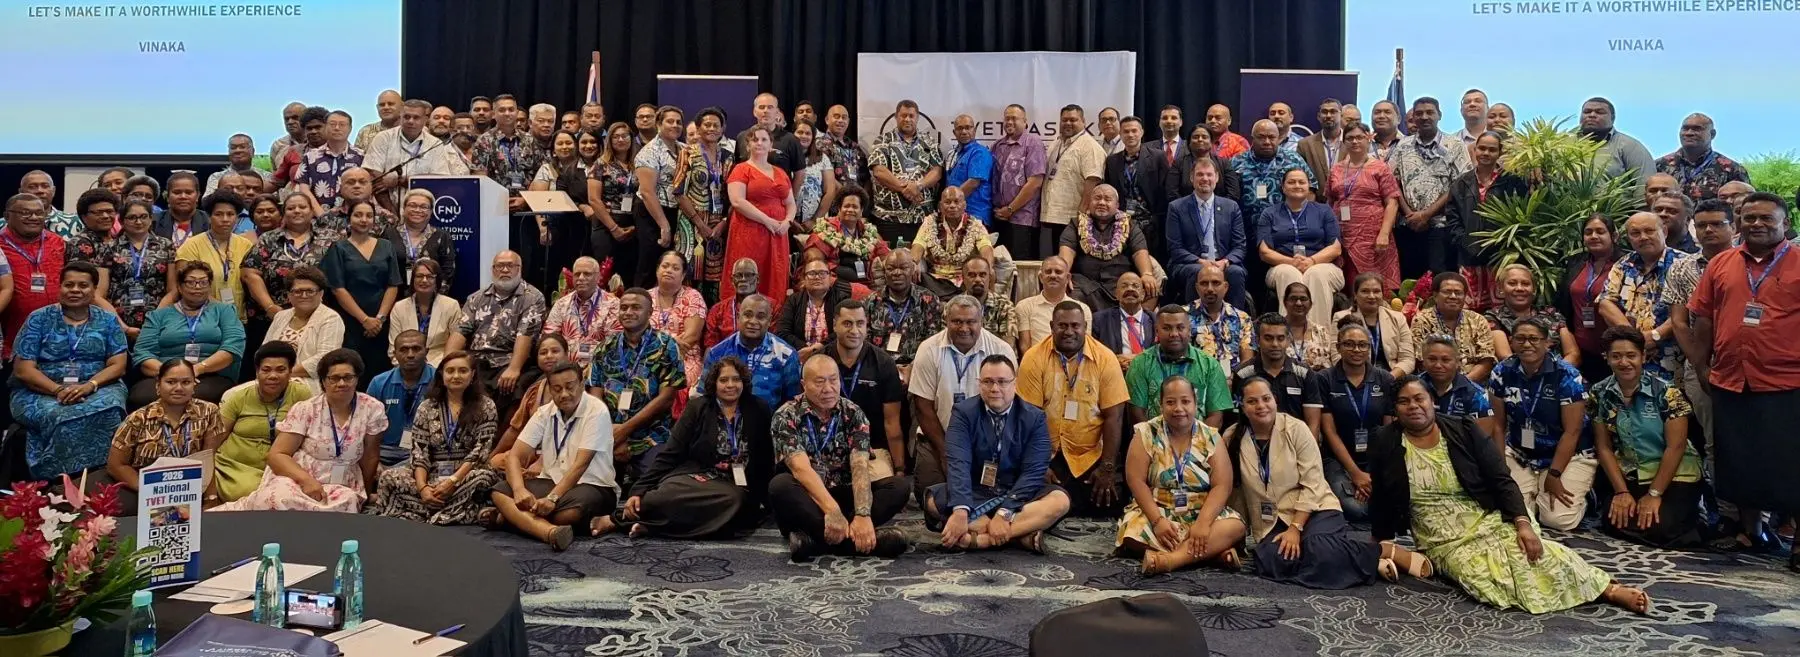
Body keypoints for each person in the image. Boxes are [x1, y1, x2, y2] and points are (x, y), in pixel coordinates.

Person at [1368, 376, 1651, 614]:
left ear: (1432, 401)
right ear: (1395, 408)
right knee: (1483, 577)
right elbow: (1381, 494)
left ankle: (1608, 590)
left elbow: (1501, 479)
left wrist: (1522, 523)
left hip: (1485, 514)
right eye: (1404, 402)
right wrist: (1378, 541)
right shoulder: (1385, 440)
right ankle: (1421, 559)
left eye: (1419, 398)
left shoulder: (1463, 430)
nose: (1413, 406)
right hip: (1441, 535)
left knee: (1536, 551)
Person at [1686, 192, 1800, 571]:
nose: (1757, 224)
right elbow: (1702, 318)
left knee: (1791, 465)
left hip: (1786, 382)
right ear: (1738, 223)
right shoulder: (1721, 263)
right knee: (1741, 462)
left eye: (1767, 218)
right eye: (1749, 217)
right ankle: (1751, 533)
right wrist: (1702, 367)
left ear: (1785, 224)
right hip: (1732, 379)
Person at [595, 356, 774, 539]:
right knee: (659, 497)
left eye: (736, 379)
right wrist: (639, 489)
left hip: (734, 486)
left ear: (743, 382)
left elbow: (766, 458)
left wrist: (766, 499)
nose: (730, 385)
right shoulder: (698, 407)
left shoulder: (758, 409)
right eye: (723, 380)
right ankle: (636, 520)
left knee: (733, 503)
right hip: (698, 476)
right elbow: (671, 452)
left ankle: (644, 526)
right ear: (714, 383)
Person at [1226, 376, 1380, 588]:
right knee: (1271, 559)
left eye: (1266, 399)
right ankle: (1361, 561)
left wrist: (1295, 528)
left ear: (1275, 400)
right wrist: (1236, 537)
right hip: (1273, 518)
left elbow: (1313, 482)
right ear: (1242, 406)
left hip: (1316, 508)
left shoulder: (1296, 429)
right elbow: (1234, 490)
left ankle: (1380, 553)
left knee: (1317, 547)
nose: (1261, 406)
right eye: (1252, 401)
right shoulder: (1232, 437)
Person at [767, 353, 911, 560]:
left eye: (833, 380)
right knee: (780, 485)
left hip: (845, 496)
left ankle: (815, 543)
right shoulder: (786, 415)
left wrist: (862, 514)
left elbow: (860, 465)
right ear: (803, 385)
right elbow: (801, 470)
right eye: (819, 382)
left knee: (899, 487)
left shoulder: (853, 413)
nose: (828, 388)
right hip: (809, 500)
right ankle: (862, 543)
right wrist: (832, 511)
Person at [217, 349, 388, 513]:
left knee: (346, 502)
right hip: (298, 477)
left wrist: (365, 492)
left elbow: (370, 456)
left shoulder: (372, 408)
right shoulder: (306, 409)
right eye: (334, 378)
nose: (341, 383)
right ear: (323, 381)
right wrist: (306, 480)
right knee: (277, 498)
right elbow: (277, 455)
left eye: (348, 377)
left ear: (357, 379)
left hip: (344, 483)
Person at [927, 354, 1068, 552]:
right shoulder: (963, 413)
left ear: (1015, 384)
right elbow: (958, 463)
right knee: (933, 501)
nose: (995, 389)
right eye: (988, 382)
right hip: (976, 492)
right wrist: (960, 511)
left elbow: (1034, 472)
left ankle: (982, 540)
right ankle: (1020, 534)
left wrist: (1004, 513)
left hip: (1018, 493)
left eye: (1002, 382)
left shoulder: (1034, 417)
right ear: (979, 384)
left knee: (1059, 501)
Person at [11, 261, 129, 482]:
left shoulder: (108, 320)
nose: (75, 290)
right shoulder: (39, 318)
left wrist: (89, 386)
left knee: (111, 409)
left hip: (98, 386)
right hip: (41, 389)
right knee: (59, 414)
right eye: (69, 285)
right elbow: (23, 369)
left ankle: (101, 480)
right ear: (60, 287)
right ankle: (56, 482)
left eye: (83, 285)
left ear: (94, 290)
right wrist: (57, 390)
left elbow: (118, 364)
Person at [1587, 326, 1703, 548]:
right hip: (1632, 473)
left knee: (1663, 527)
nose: (1624, 362)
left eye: (1631, 355)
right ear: (1607, 359)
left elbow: (1675, 447)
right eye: (1616, 356)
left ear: (1643, 356)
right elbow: (1604, 448)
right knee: (1613, 519)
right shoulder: (1599, 393)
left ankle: (1694, 516)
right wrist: (1621, 492)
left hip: (1674, 474)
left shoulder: (1667, 392)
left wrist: (1654, 494)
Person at [1117, 377, 1246, 574]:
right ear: (1160, 405)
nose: (1178, 408)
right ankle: (1212, 552)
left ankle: (1170, 560)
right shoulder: (1146, 432)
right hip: (1158, 510)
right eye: (1170, 402)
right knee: (1131, 531)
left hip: (1202, 511)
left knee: (1235, 527)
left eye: (1185, 401)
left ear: (1195, 403)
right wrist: (1158, 522)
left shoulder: (1211, 436)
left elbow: (1222, 485)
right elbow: (1136, 480)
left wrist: (1202, 524)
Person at [490, 361, 617, 550]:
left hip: (593, 485)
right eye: (557, 389)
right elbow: (515, 456)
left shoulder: (596, 411)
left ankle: (511, 518)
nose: (564, 394)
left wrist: (552, 499)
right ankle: (550, 532)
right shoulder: (544, 412)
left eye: (570, 387)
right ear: (550, 389)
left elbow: (580, 465)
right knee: (499, 492)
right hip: (550, 481)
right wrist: (519, 491)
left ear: (582, 385)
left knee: (569, 515)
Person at [1018, 302, 1128, 517]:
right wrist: (1037, 465)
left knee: (1113, 499)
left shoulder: (1105, 359)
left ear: (1085, 327)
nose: (1069, 332)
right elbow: (1027, 418)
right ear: (1051, 326)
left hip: (1089, 453)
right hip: (1047, 453)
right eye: (1062, 325)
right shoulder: (1033, 358)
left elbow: (1114, 417)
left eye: (1075, 326)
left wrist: (1106, 469)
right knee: (1028, 489)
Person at [910, 295, 1018, 511]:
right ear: (946, 321)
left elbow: (1009, 405)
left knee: (996, 490)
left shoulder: (1001, 350)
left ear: (982, 321)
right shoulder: (928, 349)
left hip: (988, 442)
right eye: (957, 321)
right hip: (939, 438)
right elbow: (923, 406)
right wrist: (945, 453)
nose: (964, 328)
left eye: (971, 322)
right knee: (931, 491)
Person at [369, 351, 501, 525]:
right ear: (442, 375)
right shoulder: (427, 406)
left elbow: (480, 452)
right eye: (450, 371)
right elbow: (419, 451)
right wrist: (423, 487)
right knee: (389, 477)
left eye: (462, 371)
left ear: (473, 375)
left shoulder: (486, 405)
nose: (456, 376)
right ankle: (452, 511)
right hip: (433, 473)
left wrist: (452, 481)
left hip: (466, 474)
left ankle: (425, 513)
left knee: (483, 478)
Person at [1487, 317, 1593, 531]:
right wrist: (1500, 470)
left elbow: (1572, 432)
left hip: (1566, 455)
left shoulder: (1567, 375)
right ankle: (1533, 491)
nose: (1527, 344)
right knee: (1510, 512)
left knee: (1558, 520)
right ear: (1511, 341)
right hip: (1520, 451)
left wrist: (1554, 474)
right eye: (1520, 339)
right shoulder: (1501, 372)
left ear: (1547, 343)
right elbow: (1497, 426)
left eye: (1534, 339)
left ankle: (1585, 496)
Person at [587, 288, 687, 482]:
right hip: (606, 434)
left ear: (650, 312)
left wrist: (624, 431)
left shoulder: (666, 346)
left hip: (651, 436)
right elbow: (594, 394)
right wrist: (610, 433)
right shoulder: (605, 346)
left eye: (635, 307)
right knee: (585, 480)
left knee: (657, 484)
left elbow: (666, 400)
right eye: (623, 308)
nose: (628, 312)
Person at [106, 359, 223, 508]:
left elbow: (209, 457)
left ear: (194, 385)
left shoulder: (209, 412)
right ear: (158, 385)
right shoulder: (138, 418)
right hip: (145, 487)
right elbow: (116, 465)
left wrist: (211, 499)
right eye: (171, 382)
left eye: (186, 382)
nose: (178, 388)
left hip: (191, 487)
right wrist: (149, 491)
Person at [208, 342, 312, 503]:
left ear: (291, 371)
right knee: (251, 493)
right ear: (257, 372)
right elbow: (211, 445)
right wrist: (210, 494)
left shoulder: (301, 395)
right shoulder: (238, 397)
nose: (273, 376)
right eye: (266, 370)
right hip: (234, 468)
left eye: (281, 370)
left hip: (281, 468)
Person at [132, 261, 245, 405]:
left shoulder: (225, 311)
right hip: (163, 375)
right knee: (141, 396)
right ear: (179, 286)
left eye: (203, 282)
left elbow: (232, 348)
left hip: (210, 374)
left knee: (199, 397)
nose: (197, 287)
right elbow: (143, 353)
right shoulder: (158, 316)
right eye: (191, 282)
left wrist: (197, 369)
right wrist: (173, 373)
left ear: (210, 285)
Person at [447, 251, 547, 413]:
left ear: (520, 269)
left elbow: (526, 335)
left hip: (508, 362)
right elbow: (459, 332)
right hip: (477, 361)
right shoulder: (476, 298)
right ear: (493, 270)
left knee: (514, 389)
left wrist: (514, 368)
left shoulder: (533, 298)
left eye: (510, 266)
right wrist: (448, 363)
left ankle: (499, 437)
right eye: (500, 266)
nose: (505, 270)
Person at [1315, 319, 1394, 521]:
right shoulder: (1325, 379)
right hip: (1338, 459)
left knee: (1393, 498)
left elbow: (1389, 429)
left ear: (1369, 348)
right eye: (1349, 344)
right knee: (1355, 508)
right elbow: (1329, 432)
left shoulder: (1384, 379)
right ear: (1339, 347)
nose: (1356, 349)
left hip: (1376, 457)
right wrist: (1356, 474)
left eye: (1362, 345)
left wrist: (1373, 473)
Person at [1598, 212, 1693, 380]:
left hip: (1674, 361)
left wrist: (1655, 335)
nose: (1643, 237)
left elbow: (1690, 309)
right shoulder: (1623, 264)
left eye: (1649, 231)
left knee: (1675, 404)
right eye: (1635, 233)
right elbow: (1605, 303)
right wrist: (1633, 338)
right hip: (1630, 361)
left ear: (1664, 231)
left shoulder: (1686, 264)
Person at [823, 299, 909, 481]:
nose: (854, 331)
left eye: (860, 324)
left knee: (893, 488)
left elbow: (892, 422)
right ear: (834, 325)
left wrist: (899, 469)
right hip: (826, 447)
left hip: (872, 449)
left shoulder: (884, 363)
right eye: (847, 323)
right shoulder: (820, 361)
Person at [241, 194, 332, 358]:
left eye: (302, 207)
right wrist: (270, 308)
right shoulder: (269, 239)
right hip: (271, 318)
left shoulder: (328, 240)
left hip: (318, 317)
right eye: (291, 208)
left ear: (312, 211)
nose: (297, 211)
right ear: (284, 213)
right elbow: (250, 273)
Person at [1448, 131, 1531, 310]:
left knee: (1500, 309)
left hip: (1500, 257)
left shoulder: (1512, 182)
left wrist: (1503, 246)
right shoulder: (1462, 183)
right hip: (1469, 256)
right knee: (1470, 310)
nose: (1486, 153)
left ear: (1499, 153)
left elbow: (1521, 217)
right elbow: (1453, 219)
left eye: (1492, 150)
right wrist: (1465, 243)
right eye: (1482, 148)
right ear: (1474, 150)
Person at [1390, 97, 1472, 277]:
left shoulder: (1454, 145)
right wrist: (1411, 214)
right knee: (1409, 281)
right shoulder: (1403, 145)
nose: (1424, 117)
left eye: (1430, 112)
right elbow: (1392, 182)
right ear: (1413, 118)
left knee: (1439, 279)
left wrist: (1426, 214)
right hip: (1408, 226)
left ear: (1439, 115)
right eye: (1419, 113)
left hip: (1442, 227)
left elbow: (1460, 185)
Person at [322, 200, 403, 380]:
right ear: (349, 219)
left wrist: (379, 319)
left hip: (381, 321)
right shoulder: (338, 248)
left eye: (369, 215)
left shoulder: (386, 245)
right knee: (352, 370)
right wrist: (364, 319)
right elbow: (337, 288)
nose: (364, 219)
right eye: (358, 215)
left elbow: (393, 284)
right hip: (351, 320)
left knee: (381, 369)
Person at [1259, 169, 1345, 328]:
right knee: (1288, 272)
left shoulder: (1324, 210)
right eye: (1291, 182)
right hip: (1281, 266)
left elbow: (1335, 248)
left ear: (1308, 186)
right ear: (1283, 187)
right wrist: (1292, 262)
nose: (1297, 185)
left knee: (1316, 273)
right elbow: (1264, 252)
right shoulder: (1269, 213)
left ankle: (1319, 337)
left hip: (1322, 264)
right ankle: (1288, 336)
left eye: (1301, 182)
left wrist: (1312, 261)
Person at [1125, 304, 1232, 431]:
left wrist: (1193, 446)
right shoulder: (1140, 364)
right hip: (1152, 442)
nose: (1174, 334)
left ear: (1189, 330)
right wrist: (1160, 444)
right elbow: (1137, 415)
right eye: (1166, 328)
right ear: (1156, 331)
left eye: (1180, 328)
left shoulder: (1210, 365)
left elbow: (1216, 417)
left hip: (1199, 444)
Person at [724, 126, 797, 305]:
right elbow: (737, 202)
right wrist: (767, 221)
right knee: (749, 272)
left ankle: (774, 318)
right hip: (750, 230)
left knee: (775, 274)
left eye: (764, 139)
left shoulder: (780, 172)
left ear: (771, 144)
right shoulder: (741, 169)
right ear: (747, 145)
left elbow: (791, 203)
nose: (759, 143)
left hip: (778, 233)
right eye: (754, 139)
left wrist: (788, 221)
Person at [1059, 185, 1161, 312]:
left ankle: (1133, 329)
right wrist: (1063, 273)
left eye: (1107, 199)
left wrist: (1146, 274)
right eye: (1097, 198)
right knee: (1071, 294)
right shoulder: (1076, 224)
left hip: (1119, 282)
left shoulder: (1129, 225)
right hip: (1085, 284)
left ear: (1117, 205)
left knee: (1151, 291)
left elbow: (1140, 251)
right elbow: (1067, 250)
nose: (1102, 202)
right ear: (1090, 202)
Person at [1327, 122, 1402, 291]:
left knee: (1372, 285)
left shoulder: (1380, 168)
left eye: (1360, 137)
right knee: (1345, 284)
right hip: (1342, 234)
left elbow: (1392, 202)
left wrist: (1384, 233)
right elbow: (1330, 202)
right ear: (1344, 142)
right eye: (1350, 138)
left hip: (1373, 235)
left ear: (1369, 139)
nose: (1355, 142)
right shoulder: (1336, 170)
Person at [1168, 155, 1250, 308]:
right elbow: (1175, 248)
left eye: (1209, 174)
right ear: (1191, 178)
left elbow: (1240, 246)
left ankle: (1237, 323)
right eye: (1200, 174)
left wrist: (1225, 262)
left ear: (1217, 178)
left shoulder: (1231, 207)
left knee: (1236, 272)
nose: (1205, 178)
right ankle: (1195, 323)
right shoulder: (1176, 208)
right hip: (1190, 263)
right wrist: (1201, 262)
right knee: (1198, 272)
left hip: (1223, 262)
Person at [703, 294, 802, 410]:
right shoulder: (717, 353)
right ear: (738, 317)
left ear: (769, 321)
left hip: (769, 424)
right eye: (747, 315)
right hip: (724, 423)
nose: (753, 321)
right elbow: (704, 396)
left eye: (760, 317)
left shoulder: (786, 355)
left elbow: (793, 403)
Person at [486, 334, 569, 468]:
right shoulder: (535, 390)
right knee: (495, 463)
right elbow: (515, 430)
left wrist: (539, 463)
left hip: (565, 455)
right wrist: (492, 455)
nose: (548, 356)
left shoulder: (576, 389)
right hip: (532, 453)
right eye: (543, 352)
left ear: (566, 354)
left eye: (555, 351)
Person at [868, 99, 945, 242]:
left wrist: (918, 186)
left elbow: (937, 172)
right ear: (896, 117)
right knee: (889, 260)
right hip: (888, 216)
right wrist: (906, 189)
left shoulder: (929, 142)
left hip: (922, 217)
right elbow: (879, 171)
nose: (907, 119)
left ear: (917, 118)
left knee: (920, 261)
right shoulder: (883, 141)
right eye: (903, 115)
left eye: (911, 116)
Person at [1557, 214, 1622, 385]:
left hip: (1615, 350)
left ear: (1614, 236)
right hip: (1580, 349)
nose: (1594, 236)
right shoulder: (1575, 263)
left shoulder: (1626, 264)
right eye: (1588, 232)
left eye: (1600, 231)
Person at [1235, 313, 1325, 434]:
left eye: (1280, 338)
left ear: (1288, 340)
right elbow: (1238, 420)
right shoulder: (1242, 374)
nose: (1275, 344)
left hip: (1295, 445)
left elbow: (1313, 424)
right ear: (1257, 340)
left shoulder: (1305, 373)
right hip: (1254, 444)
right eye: (1268, 338)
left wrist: (1306, 451)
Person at [97, 199, 174, 339]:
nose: (138, 222)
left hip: (158, 322)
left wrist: (154, 321)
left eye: (143, 216)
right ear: (121, 221)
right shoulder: (108, 247)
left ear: (151, 219)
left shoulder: (166, 245)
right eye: (132, 217)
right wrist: (122, 327)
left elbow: (173, 290)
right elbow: (98, 294)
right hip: (118, 322)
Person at [677, 107, 736, 291]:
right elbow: (678, 192)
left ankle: (712, 316)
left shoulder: (728, 156)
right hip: (690, 220)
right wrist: (699, 223)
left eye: (716, 125)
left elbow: (734, 195)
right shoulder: (687, 153)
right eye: (707, 124)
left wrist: (724, 223)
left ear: (722, 129)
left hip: (718, 222)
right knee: (690, 270)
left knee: (715, 276)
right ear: (698, 128)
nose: (711, 128)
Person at [1230, 119, 1315, 244]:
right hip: (1245, 230)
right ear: (1252, 138)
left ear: (1278, 137)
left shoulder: (1293, 159)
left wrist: (1301, 219)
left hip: (1284, 230)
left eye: (1271, 137)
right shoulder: (1237, 162)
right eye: (1261, 137)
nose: (1267, 142)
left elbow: (1311, 189)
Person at [175, 190, 254, 321]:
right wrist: (222, 309)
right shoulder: (191, 246)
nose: (225, 219)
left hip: (239, 318)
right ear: (209, 216)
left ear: (237, 217)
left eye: (230, 214)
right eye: (219, 214)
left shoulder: (246, 245)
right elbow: (183, 286)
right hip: (202, 318)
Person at [3, 195, 65, 358]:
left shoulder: (57, 242)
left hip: (56, 332)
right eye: (25, 213)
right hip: (11, 332)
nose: (34, 217)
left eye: (39, 213)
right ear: (7, 216)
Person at [262, 267, 343, 392]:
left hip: (309, 382)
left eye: (310, 291)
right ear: (289, 295)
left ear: (321, 294)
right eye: (298, 291)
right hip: (271, 379)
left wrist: (282, 375)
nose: (304, 295)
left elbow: (325, 360)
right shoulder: (281, 316)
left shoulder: (331, 318)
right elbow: (264, 352)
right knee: (233, 394)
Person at [631, 105, 685, 286]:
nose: (675, 125)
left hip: (676, 210)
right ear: (659, 124)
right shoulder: (649, 152)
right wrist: (664, 225)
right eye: (670, 121)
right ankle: (641, 306)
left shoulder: (684, 149)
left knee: (674, 263)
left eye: (679, 122)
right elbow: (647, 192)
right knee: (650, 262)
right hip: (652, 212)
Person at [1104, 116, 1172, 259]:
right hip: (1122, 222)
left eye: (1134, 131)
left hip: (1150, 222)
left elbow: (1166, 187)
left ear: (1141, 132)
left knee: (1152, 261)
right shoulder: (1112, 161)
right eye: (1126, 131)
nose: (1130, 135)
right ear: (1120, 134)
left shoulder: (1157, 156)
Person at [1410, 272, 1497, 382]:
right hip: (1435, 384)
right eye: (1447, 292)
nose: (1453, 296)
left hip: (1473, 384)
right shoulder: (1422, 319)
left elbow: (1486, 360)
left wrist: (1463, 384)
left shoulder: (1478, 320)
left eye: (1458, 293)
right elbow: (1421, 361)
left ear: (1465, 297)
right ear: (1435, 296)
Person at [909, 186, 993, 298]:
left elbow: (986, 248)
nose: (952, 206)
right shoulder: (929, 222)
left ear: (964, 205)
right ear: (940, 206)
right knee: (913, 273)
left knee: (985, 276)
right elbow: (918, 244)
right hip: (935, 280)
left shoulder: (975, 225)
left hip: (964, 280)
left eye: (957, 202)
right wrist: (913, 263)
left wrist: (987, 267)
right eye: (947, 202)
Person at [365, 329, 433, 466]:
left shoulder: (439, 381)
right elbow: (365, 424)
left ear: (427, 351)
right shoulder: (379, 383)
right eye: (404, 350)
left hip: (425, 452)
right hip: (383, 451)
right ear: (394, 353)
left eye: (416, 349)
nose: (410, 355)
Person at [991, 104, 1050, 260]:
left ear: (1025, 122)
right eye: (1007, 118)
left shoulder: (1033, 143)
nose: (1010, 122)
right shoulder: (998, 146)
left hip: (1023, 220)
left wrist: (1010, 209)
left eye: (1014, 118)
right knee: (1000, 266)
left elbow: (1035, 182)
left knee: (1021, 268)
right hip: (999, 217)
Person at [1487, 265, 1578, 365]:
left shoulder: (1551, 313)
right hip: (1516, 377)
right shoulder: (1492, 317)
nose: (1519, 288)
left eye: (1525, 284)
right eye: (1512, 283)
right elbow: (1505, 357)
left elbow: (1573, 353)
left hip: (1562, 374)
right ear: (1501, 289)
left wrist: (1557, 374)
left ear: (1534, 289)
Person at [866, 249, 941, 369]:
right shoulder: (872, 301)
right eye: (891, 268)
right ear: (885, 272)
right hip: (880, 367)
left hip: (917, 367)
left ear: (912, 270)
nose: (897, 273)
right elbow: (865, 341)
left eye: (903, 268)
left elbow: (933, 341)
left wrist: (913, 367)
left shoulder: (929, 299)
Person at [1042, 104, 1108, 239]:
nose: (1068, 123)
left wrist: (1081, 216)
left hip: (1074, 218)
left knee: (1071, 259)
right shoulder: (1056, 143)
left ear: (1083, 122)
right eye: (1064, 120)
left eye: (1073, 120)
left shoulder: (1089, 146)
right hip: (1053, 215)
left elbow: (1093, 182)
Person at [643, 251, 709, 384]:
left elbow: (691, 337)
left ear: (683, 275)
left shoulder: (693, 297)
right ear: (657, 270)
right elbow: (638, 332)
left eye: (675, 268)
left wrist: (662, 344)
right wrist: (670, 340)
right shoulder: (645, 297)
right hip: (646, 356)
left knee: (675, 381)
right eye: (665, 266)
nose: (669, 271)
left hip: (683, 357)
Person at [541, 256, 617, 370]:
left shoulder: (613, 304)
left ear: (598, 277)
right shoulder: (561, 304)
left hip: (599, 370)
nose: (581, 278)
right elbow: (549, 339)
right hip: (563, 369)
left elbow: (614, 344)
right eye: (577, 274)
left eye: (587, 274)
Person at [807, 184, 890, 287]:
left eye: (855, 207)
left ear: (861, 211)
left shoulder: (869, 232)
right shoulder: (824, 230)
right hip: (835, 286)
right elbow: (815, 265)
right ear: (839, 208)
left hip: (868, 284)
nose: (850, 210)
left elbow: (885, 255)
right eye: (846, 206)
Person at [589, 121, 642, 282]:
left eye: (624, 136)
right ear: (609, 141)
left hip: (632, 224)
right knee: (607, 276)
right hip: (607, 224)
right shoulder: (600, 164)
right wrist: (614, 228)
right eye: (616, 137)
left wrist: (635, 226)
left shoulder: (639, 163)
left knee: (628, 274)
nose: (620, 140)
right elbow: (593, 199)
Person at [1654, 113, 1748, 203]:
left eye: (1697, 129)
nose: (1689, 133)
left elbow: (1745, 206)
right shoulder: (1659, 166)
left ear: (1712, 134)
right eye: (1685, 129)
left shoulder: (1731, 170)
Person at [1338, 272, 1415, 376]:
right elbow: (1337, 357)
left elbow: (1408, 360)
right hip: (1355, 378)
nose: (1371, 296)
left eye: (1376, 291)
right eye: (1365, 291)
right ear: (1355, 295)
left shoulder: (1398, 318)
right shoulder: (1342, 318)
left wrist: (1388, 379)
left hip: (1392, 378)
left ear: (1382, 294)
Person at [1579, 97, 1655, 199]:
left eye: (1600, 112)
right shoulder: (1564, 143)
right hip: (1564, 213)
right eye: (1587, 112)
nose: (1592, 115)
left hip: (1612, 213)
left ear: (1613, 118)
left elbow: (1644, 187)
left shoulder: (1630, 146)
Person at [389, 259, 459, 368]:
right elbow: (393, 348)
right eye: (419, 276)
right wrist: (405, 368)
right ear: (412, 280)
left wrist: (440, 370)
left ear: (437, 281)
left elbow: (455, 346)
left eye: (430, 277)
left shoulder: (451, 305)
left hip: (439, 366)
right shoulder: (399, 307)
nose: (424, 280)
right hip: (406, 366)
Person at [383, 189, 458, 292]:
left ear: (431, 211)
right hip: (394, 297)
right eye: (412, 205)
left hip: (430, 298)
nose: (417, 210)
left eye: (424, 207)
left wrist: (436, 299)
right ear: (403, 209)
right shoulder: (389, 234)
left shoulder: (442, 236)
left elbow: (448, 271)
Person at [773, 257, 848, 359]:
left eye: (822, 273)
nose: (817, 277)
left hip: (834, 356)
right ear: (804, 278)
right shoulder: (794, 300)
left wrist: (820, 348)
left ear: (830, 277)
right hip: (801, 356)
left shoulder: (841, 299)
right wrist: (807, 349)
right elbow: (782, 332)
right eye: (812, 273)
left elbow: (845, 330)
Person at [1189, 263, 1255, 377]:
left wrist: (1235, 382)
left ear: (1225, 287)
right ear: (1197, 288)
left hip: (1235, 384)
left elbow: (1247, 361)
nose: (1210, 289)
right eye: (1204, 283)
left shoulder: (1242, 318)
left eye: (1216, 283)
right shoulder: (1183, 317)